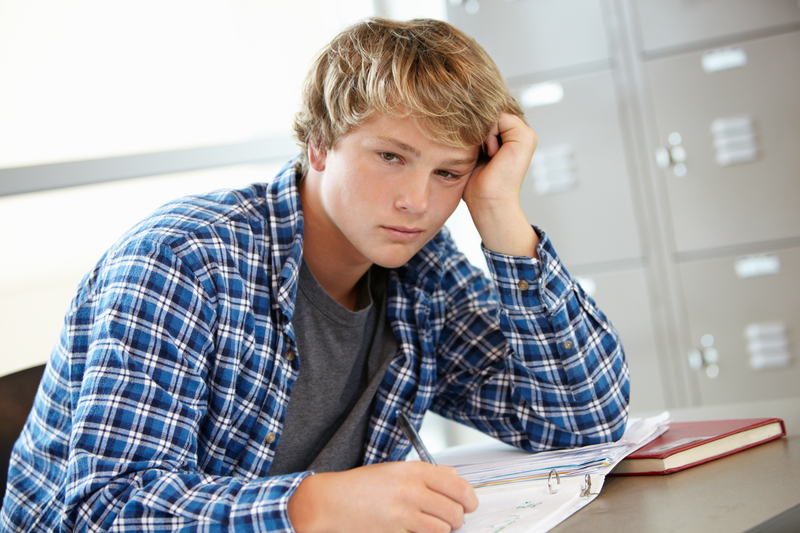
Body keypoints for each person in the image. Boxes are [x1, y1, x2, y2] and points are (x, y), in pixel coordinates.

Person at [1, 17, 629, 533]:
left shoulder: (423, 272)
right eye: (391, 157)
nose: (417, 201)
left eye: (448, 173)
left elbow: (581, 420)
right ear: (320, 145)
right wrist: (317, 504)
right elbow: (101, 510)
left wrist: (500, 214)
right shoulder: (184, 261)